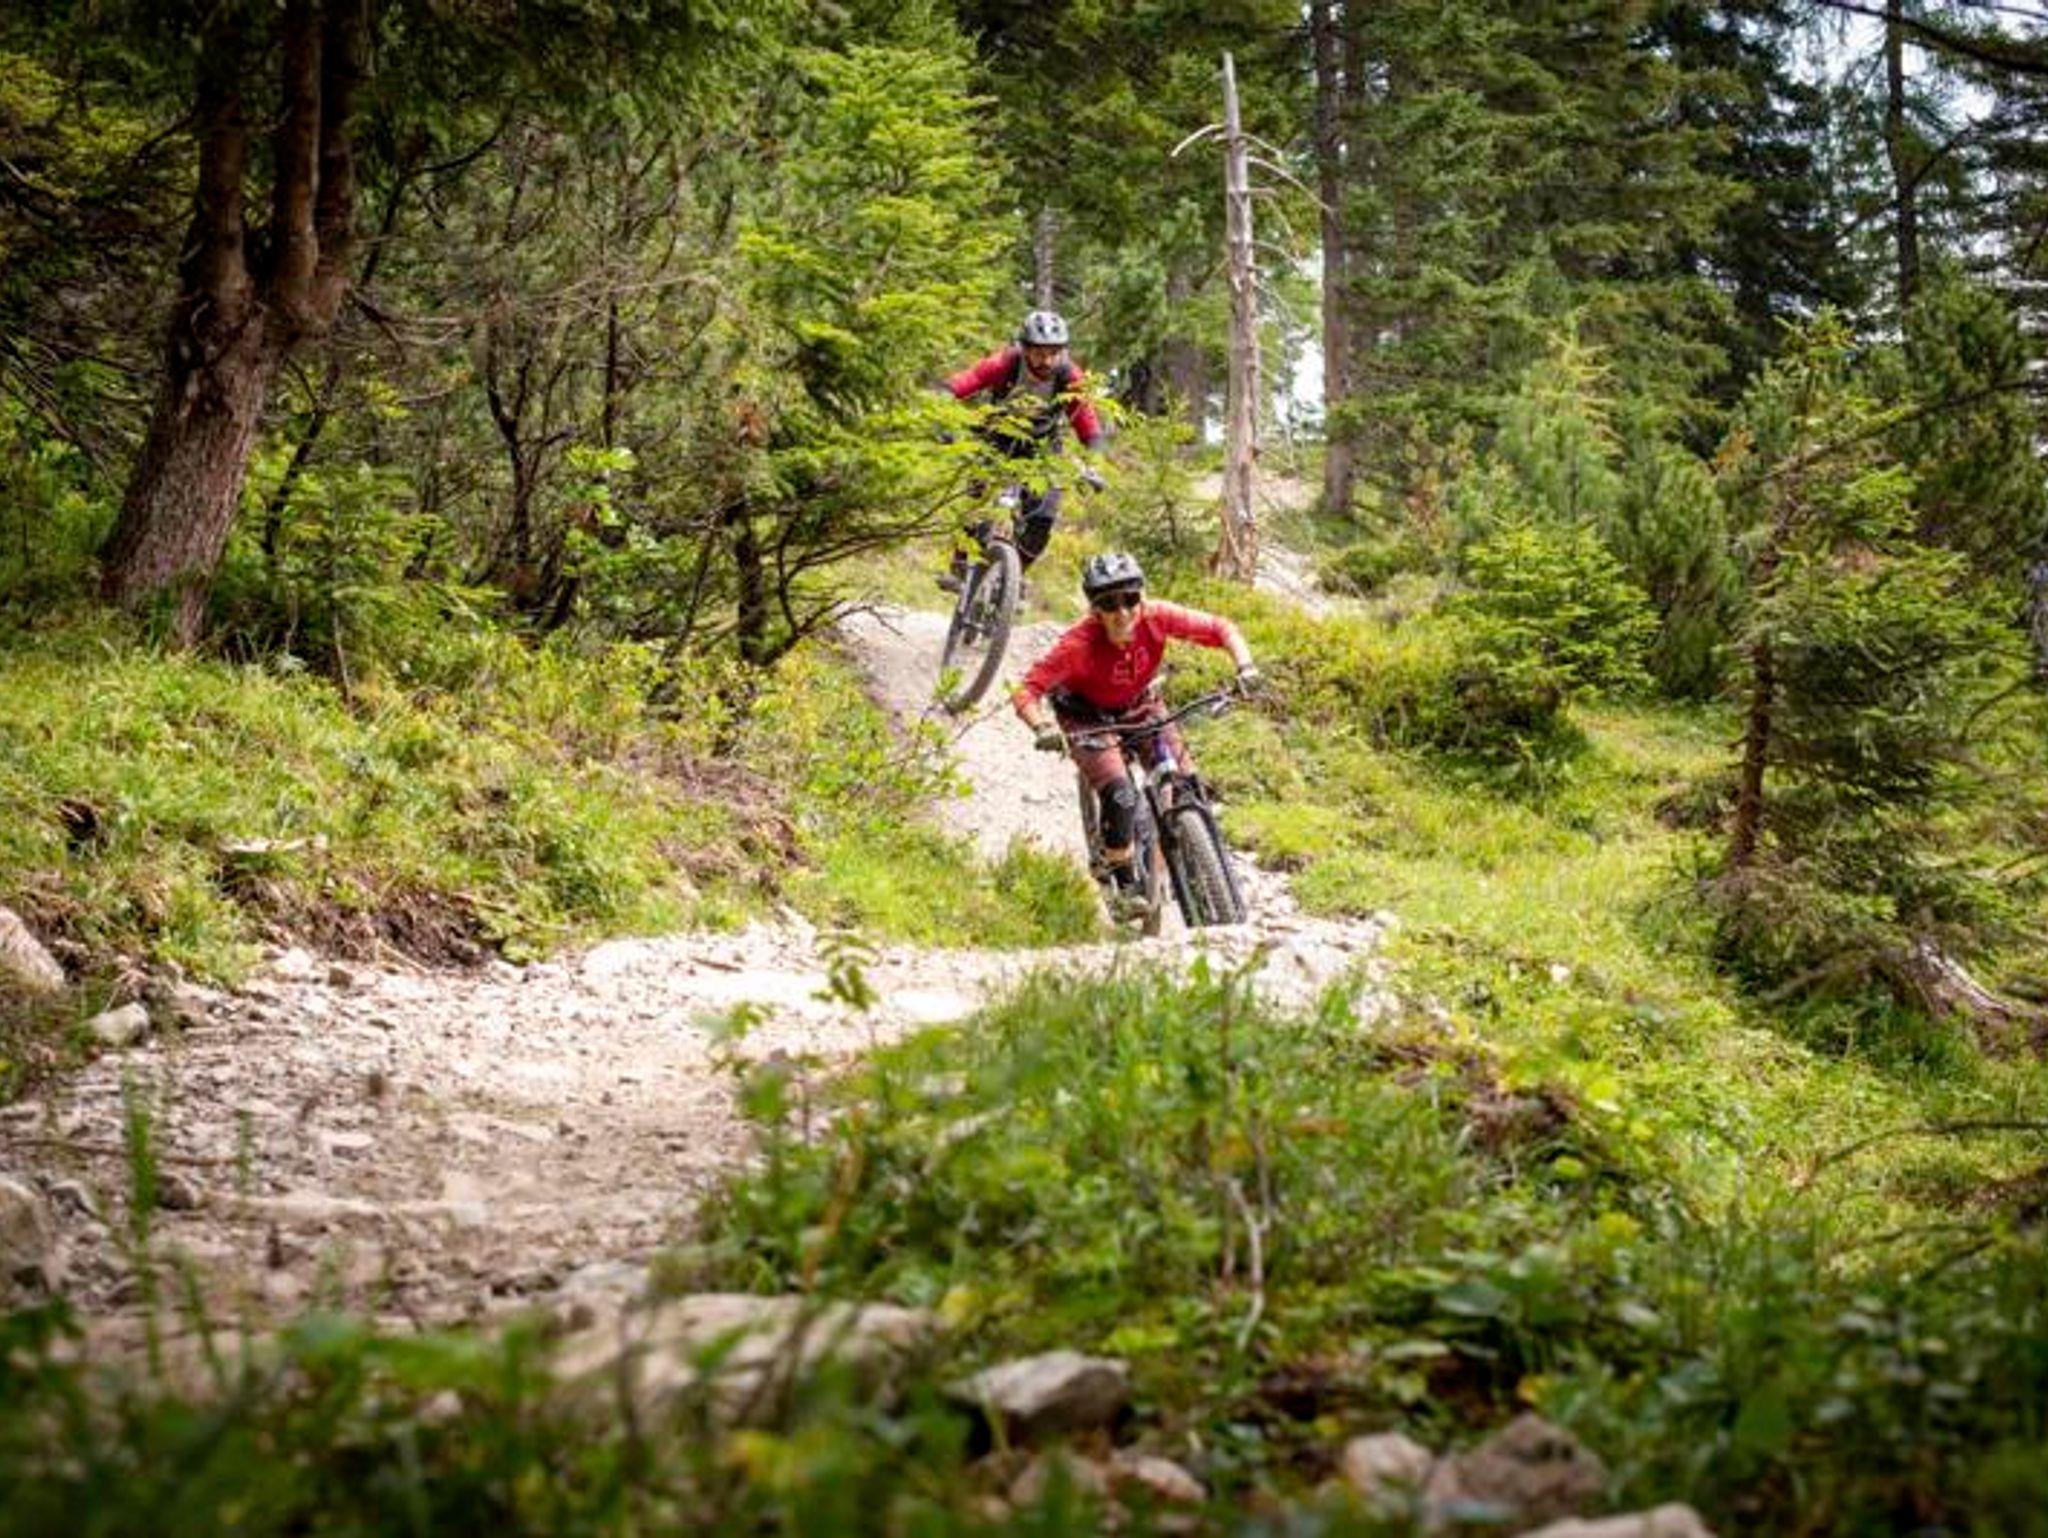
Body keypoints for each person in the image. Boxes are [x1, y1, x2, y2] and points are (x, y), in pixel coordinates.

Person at [1013, 552, 1261, 900]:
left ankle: (1202, 865)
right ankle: (1125, 884)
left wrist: (1245, 667)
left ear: (1141, 598)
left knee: (1186, 783)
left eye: (1130, 599)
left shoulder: (1157, 617)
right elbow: (1026, 690)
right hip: (1086, 717)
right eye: (1108, 604)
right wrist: (1041, 727)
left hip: (1140, 705)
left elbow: (1221, 628)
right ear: (1094, 610)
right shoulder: (1077, 644)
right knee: (1120, 795)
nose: (1122, 612)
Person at [940, 310, 1105, 588]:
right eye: (1039, 353)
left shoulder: (1069, 376)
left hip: (1042, 448)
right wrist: (941, 418)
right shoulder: (1006, 362)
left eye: (1054, 353)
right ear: (1025, 348)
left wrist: (1094, 466)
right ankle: (959, 563)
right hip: (997, 438)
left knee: (1043, 517)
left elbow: (1090, 428)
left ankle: (1014, 580)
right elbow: (961, 383)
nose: (1047, 361)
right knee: (978, 497)